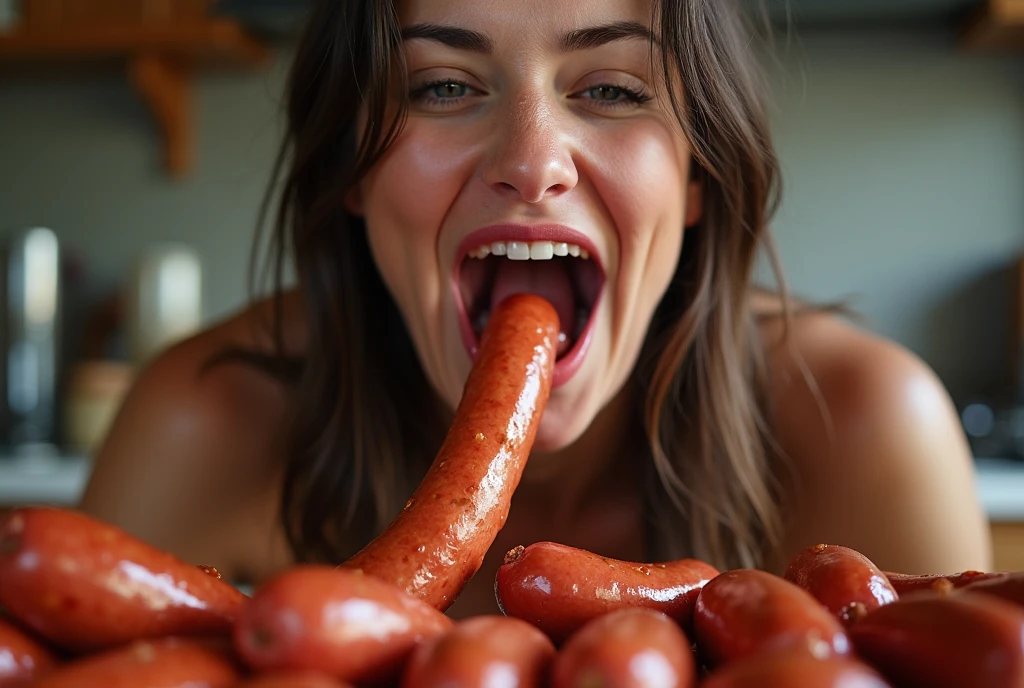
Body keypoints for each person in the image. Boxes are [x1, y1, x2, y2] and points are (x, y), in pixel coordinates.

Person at [78, 0, 992, 617]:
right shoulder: (205, 420)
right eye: (442, 85)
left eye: (611, 89)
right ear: (352, 170)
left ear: (698, 172)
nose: (531, 157)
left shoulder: (869, 426)